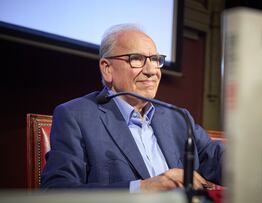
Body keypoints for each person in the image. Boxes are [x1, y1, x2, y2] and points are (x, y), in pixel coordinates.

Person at [41, 24, 224, 192]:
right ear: (107, 69)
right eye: (136, 59)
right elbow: (57, 190)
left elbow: (216, 157)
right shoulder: (76, 116)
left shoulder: (177, 118)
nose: (152, 71)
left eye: (155, 59)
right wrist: (142, 188)